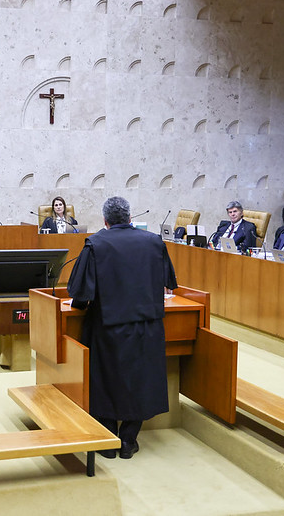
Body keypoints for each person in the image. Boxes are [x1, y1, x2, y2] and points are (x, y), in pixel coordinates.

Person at [67, 196, 177, 460]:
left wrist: (80, 305)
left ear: (105, 221)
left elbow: (80, 292)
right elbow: (169, 282)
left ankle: (107, 440)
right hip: (147, 325)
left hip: (109, 326)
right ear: (130, 218)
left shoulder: (95, 244)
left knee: (105, 379)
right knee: (141, 379)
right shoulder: (154, 242)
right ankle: (128, 440)